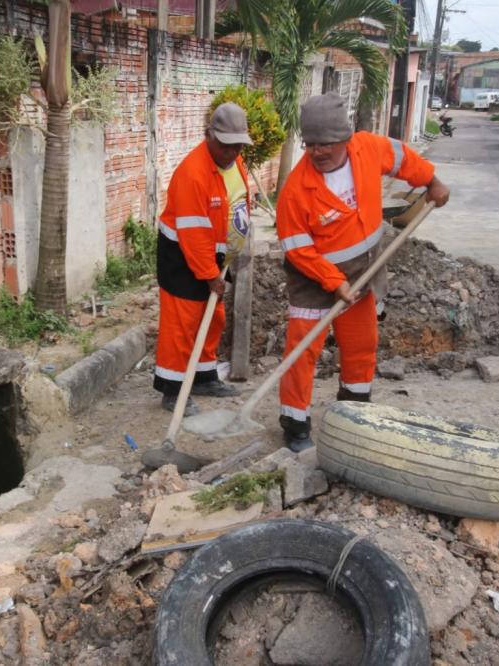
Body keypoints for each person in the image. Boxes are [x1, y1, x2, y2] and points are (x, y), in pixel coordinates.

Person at [276, 93, 450, 452]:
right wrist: (335, 283)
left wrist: (432, 180)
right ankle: (294, 425)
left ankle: (354, 414)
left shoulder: (367, 149)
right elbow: (298, 249)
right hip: (313, 279)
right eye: (310, 145)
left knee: (361, 345)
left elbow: (402, 157)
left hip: (366, 271)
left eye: (325, 144)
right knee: (301, 353)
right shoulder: (296, 190)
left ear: (345, 139)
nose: (317, 152)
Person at [154, 103, 253, 415]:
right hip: (182, 258)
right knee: (181, 325)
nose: (232, 152)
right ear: (209, 136)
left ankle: (204, 377)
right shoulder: (192, 174)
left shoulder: (236, 163)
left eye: (238, 146)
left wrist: (226, 257)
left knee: (213, 319)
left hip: (213, 255)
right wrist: (211, 275)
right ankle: (172, 391)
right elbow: (193, 234)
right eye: (226, 146)